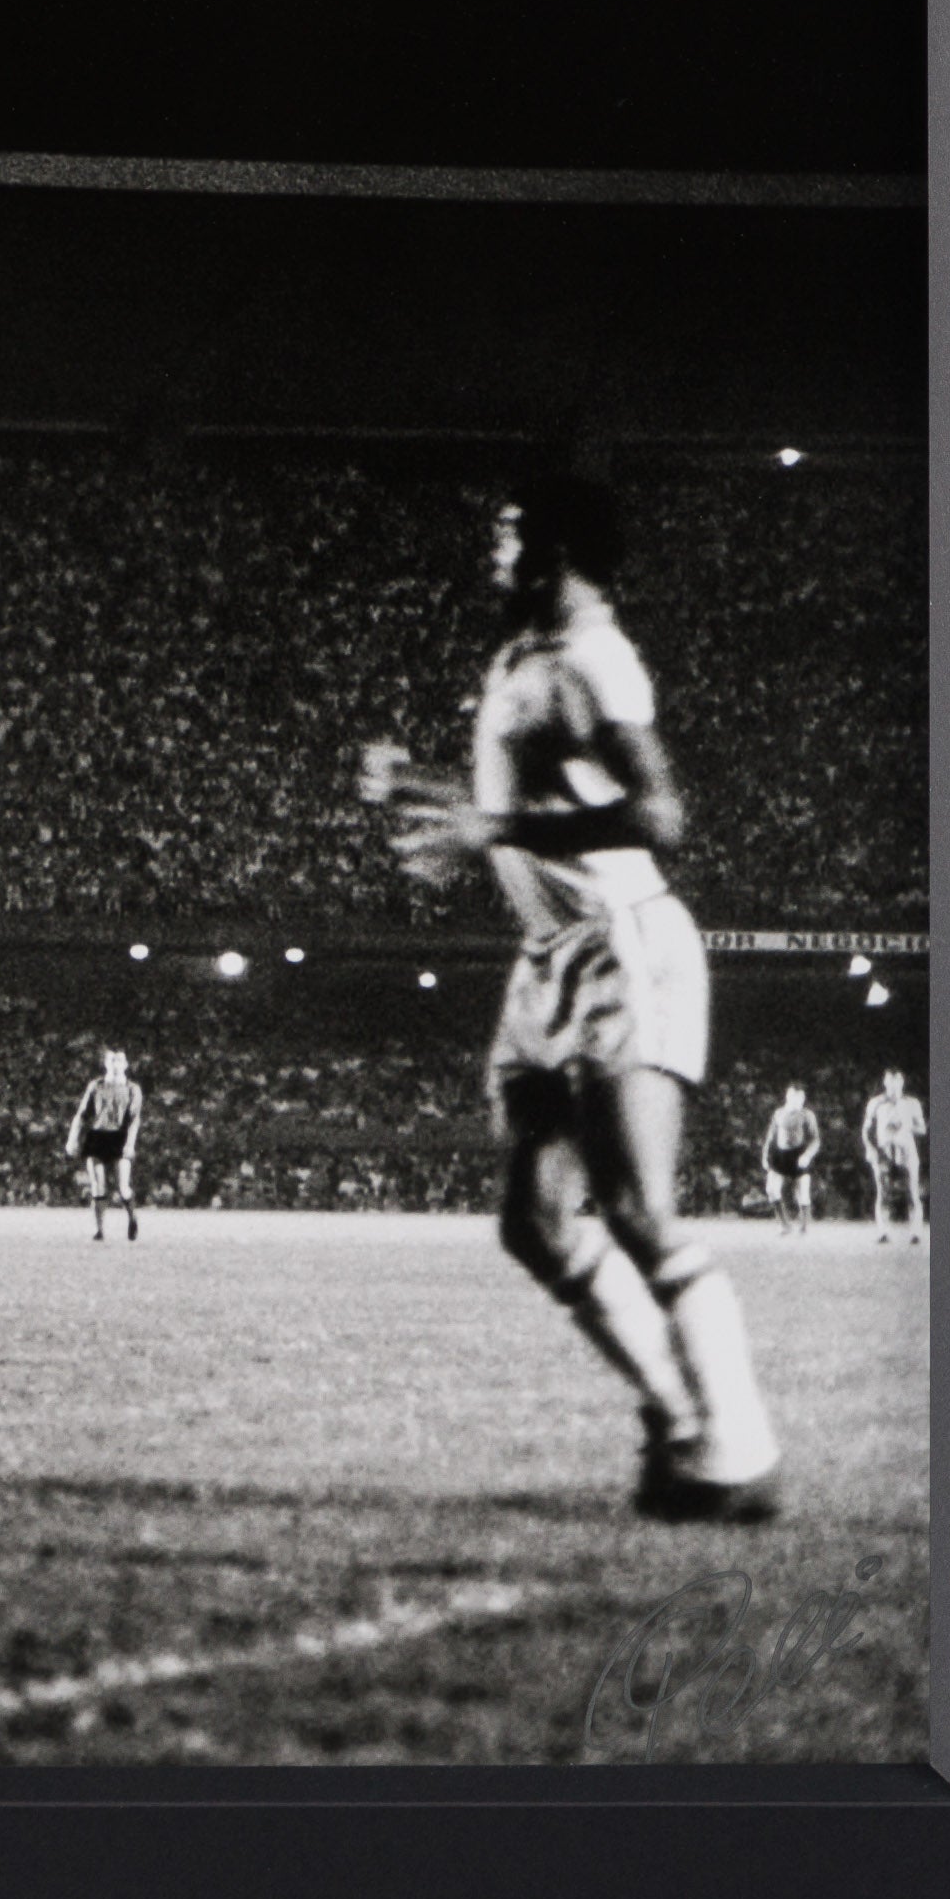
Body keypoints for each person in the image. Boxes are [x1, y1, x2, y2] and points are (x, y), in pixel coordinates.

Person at [365, 475, 782, 1518]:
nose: (494, 550)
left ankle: (740, 1451)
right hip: (549, 955)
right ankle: (680, 1426)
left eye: (510, 535)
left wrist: (492, 831)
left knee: (637, 1210)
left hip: (622, 946)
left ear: (555, 552)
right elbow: (522, 799)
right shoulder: (525, 655)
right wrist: (426, 790)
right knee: (538, 1224)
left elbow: (660, 814)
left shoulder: (595, 659)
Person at [65, 1048, 147, 1242]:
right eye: (112, 1061)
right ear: (106, 1064)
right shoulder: (96, 1086)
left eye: (119, 1061)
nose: (115, 1065)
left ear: (125, 1065)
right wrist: (72, 1138)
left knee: (123, 1186)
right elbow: (81, 1114)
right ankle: (99, 1230)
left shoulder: (132, 1088)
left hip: (120, 1137)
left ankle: (132, 1218)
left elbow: (134, 1119)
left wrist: (130, 1143)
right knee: (97, 1186)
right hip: (97, 1136)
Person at [859, 1064, 929, 1239]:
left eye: (896, 1080)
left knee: (912, 1190)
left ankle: (915, 1231)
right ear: (885, 1082)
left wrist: (906, 1127)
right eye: (890, 1081)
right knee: (883, 1191)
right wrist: (870, 1148)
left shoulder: (912, 1103)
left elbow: (922, 1129)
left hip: (906, 1150)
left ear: (902, 1082)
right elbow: (866, 1129)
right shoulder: (875, 1103)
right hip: (884, 1151)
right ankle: (883, 1231)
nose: (893, 1085)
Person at [759, 1081, 822, 1234]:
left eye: (801, 1098)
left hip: (799, 1154)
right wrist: (765, 1155)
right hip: (780, 1155)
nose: (799, 1100)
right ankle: (784, 1224)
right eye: (795, 1096)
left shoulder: (807, 1115)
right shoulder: (779, 1113)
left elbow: (815, 1139)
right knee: (771, 1189)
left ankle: (804, 1226)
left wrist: (807, 1155)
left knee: (803, 1193)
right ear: (788, 1096)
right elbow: (770, 1136)